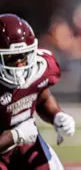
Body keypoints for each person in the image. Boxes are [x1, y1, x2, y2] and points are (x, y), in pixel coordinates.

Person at [0, 14, 75, 169]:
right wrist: (15, 135)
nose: (20, 65)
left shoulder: (41, 67)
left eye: (24, 56)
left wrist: (56, 116)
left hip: (26, 140)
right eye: (11, 58)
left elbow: (40, 96)